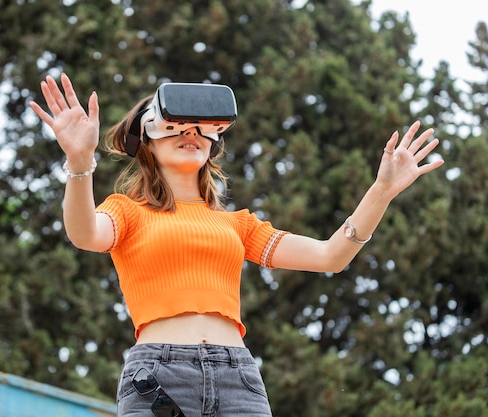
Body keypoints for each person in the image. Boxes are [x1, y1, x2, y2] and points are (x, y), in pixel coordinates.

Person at [29, 72, 444, 416]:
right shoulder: (127, 211)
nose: (190, 134)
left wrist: (382, 191)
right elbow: (85, 234)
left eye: (201, 129)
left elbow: (330, 256)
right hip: (157, 374)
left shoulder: (238, 225)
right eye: (176, 127)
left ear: (214, 142)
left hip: (238, 376)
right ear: (147, 140)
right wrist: (80, 164)